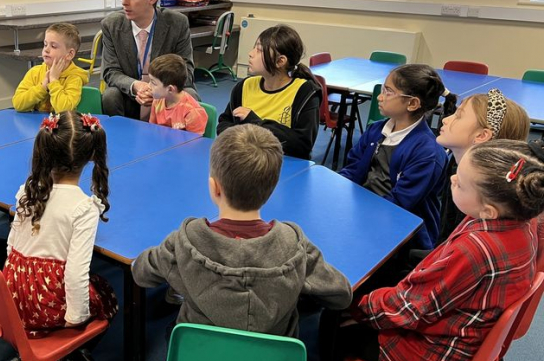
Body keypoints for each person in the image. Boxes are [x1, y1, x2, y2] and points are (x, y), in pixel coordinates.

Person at [132, 124, 353, 361]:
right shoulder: (294, 246)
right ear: (272, 188)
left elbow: (140, 272)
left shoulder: (185, 242)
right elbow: (340, 293)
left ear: (213, 188)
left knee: (178, 332)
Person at [337, 139, 544, 361]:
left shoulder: (475, 250)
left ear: (488, 207)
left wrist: (354, 307)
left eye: (460, 181)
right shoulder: (520, 226)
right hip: (465, 345)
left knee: (330, 325)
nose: (451, 179)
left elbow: (408, 309)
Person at [6, 111, 118, 361]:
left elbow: (11, 247)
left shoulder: (25, 192)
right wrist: (75, 319)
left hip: (11, 295)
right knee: (107, 297)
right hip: (45, 302)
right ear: (93, 156)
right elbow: (76, 274)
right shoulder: (84, 208)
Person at [339, 64, 455, 250]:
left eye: (388, 91)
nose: (380, 96)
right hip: (366, 214)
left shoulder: (428, 152)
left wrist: (358, 218)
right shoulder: (376, 129)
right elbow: (352, 169)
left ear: (412, 103)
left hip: (404, 237)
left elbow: (400, 204)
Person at [101, 0, 198, 119]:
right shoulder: (111, 25)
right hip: (131, 95)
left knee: (191, 94)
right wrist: (136, 86)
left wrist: (160, 90)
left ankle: (180, 142)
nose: (124, 2)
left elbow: (187, 70)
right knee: (110, 96)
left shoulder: (177, 23)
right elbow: (110, 71)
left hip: (166, 93)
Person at [436, 89, 530, 242]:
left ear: (481, 135)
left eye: (458, 116)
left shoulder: (481, 194)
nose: (446, 119)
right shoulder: (455, 164)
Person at [216, 24, 321, 160]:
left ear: (280, 61)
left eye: (259, 50)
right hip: (245, 161)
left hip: (282, 165)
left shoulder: (304, 92)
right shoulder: (244, 86)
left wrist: (255, 122)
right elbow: (224, 123)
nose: (251, 53)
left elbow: (302, 145)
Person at [12, 23, 88, 113]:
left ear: (69, 54)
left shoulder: (74, 78)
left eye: (53, 46)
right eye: (45, 44)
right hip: (36, 125)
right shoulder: (34, 72)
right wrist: (42, 87)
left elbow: (64, 110)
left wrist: (53, 81)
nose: (46, 50)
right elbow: (17, 104)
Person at [148, 54, 208, 134]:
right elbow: (152, 130)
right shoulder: (157, 100)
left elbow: (195, 144)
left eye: (153, 83)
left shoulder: (193, 113)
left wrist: (179, 136)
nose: (149, 86)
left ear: (170, 89)